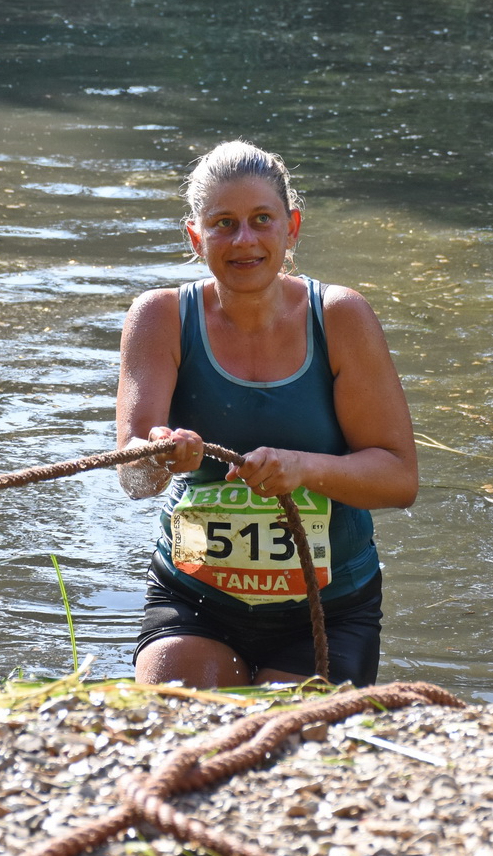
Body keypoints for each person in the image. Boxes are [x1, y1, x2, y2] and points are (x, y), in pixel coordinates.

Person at [116, 140, 418, 688]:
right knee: (170, 726)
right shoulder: (158, 317)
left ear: (292, 226)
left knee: (297, 754)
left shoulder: (341, 317)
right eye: (223, 223)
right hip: (194, 597)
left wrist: (304, 469)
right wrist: (158, 456)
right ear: (195, 236)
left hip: (327, 608)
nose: (244, 240)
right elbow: (133, 477)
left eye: (261, 220)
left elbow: (399, 479)